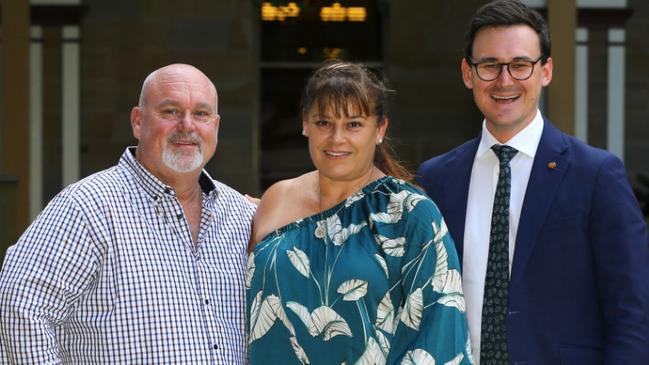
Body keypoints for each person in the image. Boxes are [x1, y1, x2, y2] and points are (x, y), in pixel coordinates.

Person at [416, 1, 649, 364]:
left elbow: (632, 310)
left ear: (546, 71)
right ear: (468, 73)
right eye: (489, 65)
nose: (504, 80)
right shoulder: (437, 178)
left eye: (520, 65)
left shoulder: (597, 175)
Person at [0, 64, 255, 363]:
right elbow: (20, 309)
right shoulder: (87, 206)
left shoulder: (239, 213)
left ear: (216, 126)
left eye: (201, 114)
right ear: (138, 121)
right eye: (170, 111)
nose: (187, 125)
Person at [246, 60, 472, 365]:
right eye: (324, 122)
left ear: (379, 129)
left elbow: (440, 337)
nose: (336, 138)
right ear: (305, 124)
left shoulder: (411, 214)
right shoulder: (276, 199)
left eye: (353, 124)